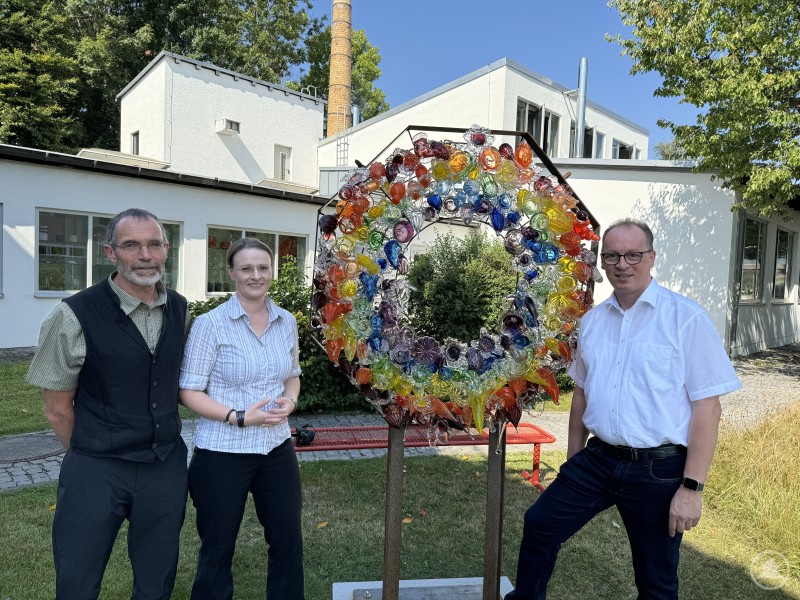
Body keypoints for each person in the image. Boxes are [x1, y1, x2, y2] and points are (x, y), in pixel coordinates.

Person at [506, 218, 742, 600]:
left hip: (659, 469)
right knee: (540, 524)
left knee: (655, 580)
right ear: (603, 262)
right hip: (598, 461)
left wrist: (692, 488)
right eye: (612, 255)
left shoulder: (686, 319)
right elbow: (581, 394)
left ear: (651, 258)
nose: (622, 264)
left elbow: (707, 409)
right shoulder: (592, 322)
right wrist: (572, 460)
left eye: (633, 254)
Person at [26, 208, 189, 600]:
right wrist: (92, 451)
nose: (144, 255)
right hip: (96, 468)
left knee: (157, 578)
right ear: (110, 252)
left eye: (153, 244)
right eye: (131, 245)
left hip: (163, 466)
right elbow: (57, 408)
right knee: (78, 580)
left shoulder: (181, 309)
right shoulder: (72, 314)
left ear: (166, 250)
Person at [179, 237, 304, 599]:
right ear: (231, 272)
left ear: (272, 271)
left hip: (276, 448)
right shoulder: (210, 325)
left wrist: (291, 402)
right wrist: (236, 416)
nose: (256, 275)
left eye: (263, 268)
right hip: (222, 452)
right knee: (217, 548)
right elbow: (188, 391)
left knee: (287, 542)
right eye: (247, 268)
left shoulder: (286, 321)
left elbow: (291, 374)